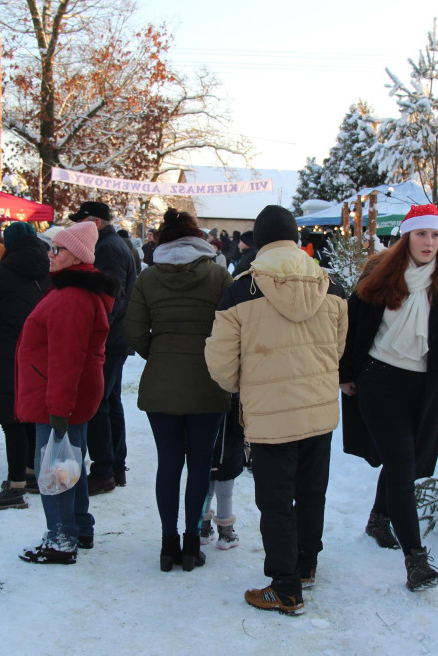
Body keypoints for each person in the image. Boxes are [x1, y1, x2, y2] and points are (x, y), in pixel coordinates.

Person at [205, 205, 347, 615]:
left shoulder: (240, 290)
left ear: (259, 241)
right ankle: (305, 567)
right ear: (296, 238)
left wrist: (243, 388)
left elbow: (219, 362)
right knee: (311, 492)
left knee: (276, 500)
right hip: (319, 411)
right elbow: (338, 347)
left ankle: (285, 586)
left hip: (269, 415)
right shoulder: (332, 287)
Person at [339, 204, 438, 592]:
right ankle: (416, 561)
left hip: (427, 387)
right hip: (379, 382)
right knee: (402, 464)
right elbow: (350, 327)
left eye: (435, 235)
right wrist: (345, 374)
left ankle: (379, 518)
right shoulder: (382, 276)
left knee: (407, 461)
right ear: (407, 237)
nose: (429, 242)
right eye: (421, 234)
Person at [124, 208, 233, 572]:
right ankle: (191, 544)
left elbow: (135, 332)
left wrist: (161, 354)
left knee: (168, 464)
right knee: (200, 463)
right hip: (208, 383)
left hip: (162, 385)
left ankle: (167, 545)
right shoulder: (218, 275)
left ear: (162, 240)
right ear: (197, 238)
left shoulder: (148, 278)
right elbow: (232, 330)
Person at [15, 221, 119, 565]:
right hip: (69, 397)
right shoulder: (72, 291)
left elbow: (66, 358)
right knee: (70, 462)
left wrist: (58, 409)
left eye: (57, 249)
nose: (50, 254)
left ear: (74, 255)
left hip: (59, 400)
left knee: (54, 467)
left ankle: (61, 539)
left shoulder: (71, 297)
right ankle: (77, 526)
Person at [0, 221, 50, 510]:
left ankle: (15, 485)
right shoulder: (48, 273)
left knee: (11, 420)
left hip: (3, 355)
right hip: (37, 357)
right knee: (28, 415)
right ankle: (30, 473)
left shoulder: (0, 275)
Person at [69, 201, 137, 495]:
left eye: (80, 222)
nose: (76, 228)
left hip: (109, 339)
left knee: (98, 404)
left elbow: (112, 297)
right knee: (109, 402)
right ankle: (114, 467)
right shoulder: (112, 244)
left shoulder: (108, 248)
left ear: (95, 222)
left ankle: (103, 471)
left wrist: (95, 330)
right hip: (114, 338)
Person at [199, 392, 245, 550]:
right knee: (225, 494)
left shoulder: (201, 393)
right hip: (227, 456)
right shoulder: (233, 397)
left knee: (206, 492)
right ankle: (226, 535)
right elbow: (239, 428)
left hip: (204, 453)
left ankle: (203, 530)